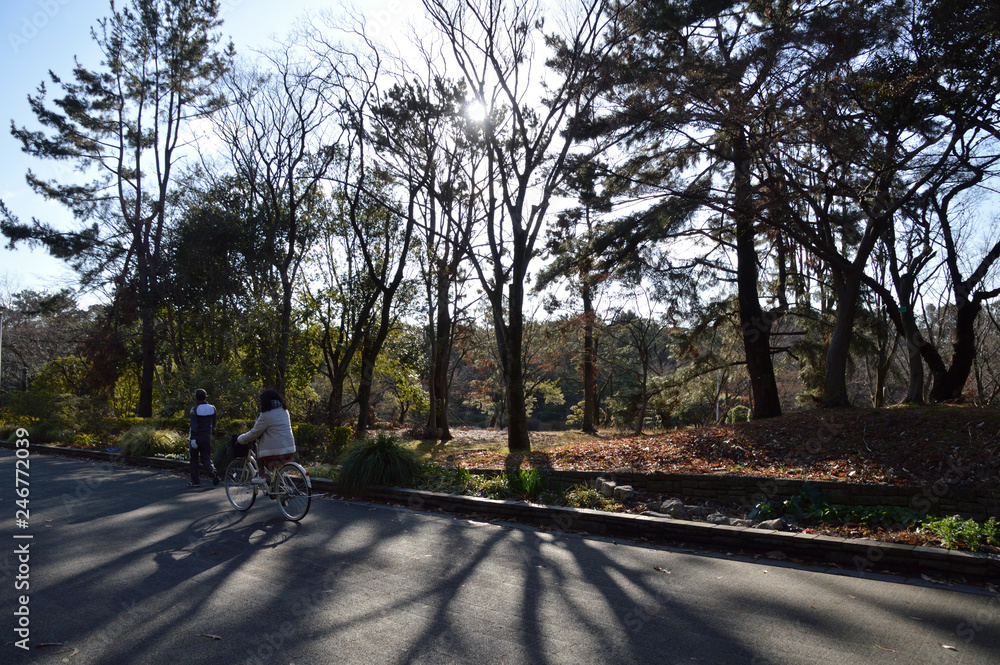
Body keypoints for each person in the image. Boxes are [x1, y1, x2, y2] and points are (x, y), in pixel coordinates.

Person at [237, 389, 295, 485]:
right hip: (290, 450)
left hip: (274, 452)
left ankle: (261, 474)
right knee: (276, 470)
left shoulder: (265, 415)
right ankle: (278, 488)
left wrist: (240, 439)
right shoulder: (285, 411)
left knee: (258, 446)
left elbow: (254, 433)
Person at [188, 389, 220, 487]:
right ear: (205, 397)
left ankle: (195, 481)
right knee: (206, 457)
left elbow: (194, 425)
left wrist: (193, 439)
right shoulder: (212, 408)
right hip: (206, 436)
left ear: (196, 398)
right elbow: (213, 423)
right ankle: (213, 471)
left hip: (196, 437)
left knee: (194, 460)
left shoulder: (194, 410)